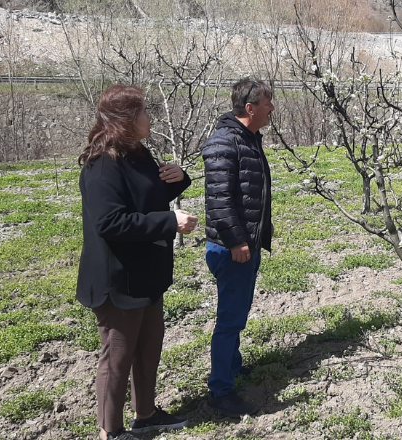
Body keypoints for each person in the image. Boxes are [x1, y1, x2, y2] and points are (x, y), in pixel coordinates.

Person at [77, 84, 196, 439]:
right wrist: (170, 221)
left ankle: (145, 414)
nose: (149, 118)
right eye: (143, 112)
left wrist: (179, 178)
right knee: (117, 359)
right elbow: (110, 222)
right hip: (118, 280)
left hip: (146, 275)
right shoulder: (102, 165)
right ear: (126, 120)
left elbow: (144, 198)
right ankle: (110, 431)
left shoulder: (137, 154)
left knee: (147, 349)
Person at [201, 79, 274, 418]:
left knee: (238, 312)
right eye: (267, 103)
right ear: (250, 108)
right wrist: (237, 241)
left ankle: (232, 366)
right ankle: (221, 390)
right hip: (231, 248)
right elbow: (219, 202)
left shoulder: (248, 140)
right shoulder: (225, 143)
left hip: (246, 244)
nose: (271, 109)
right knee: (230, 319)